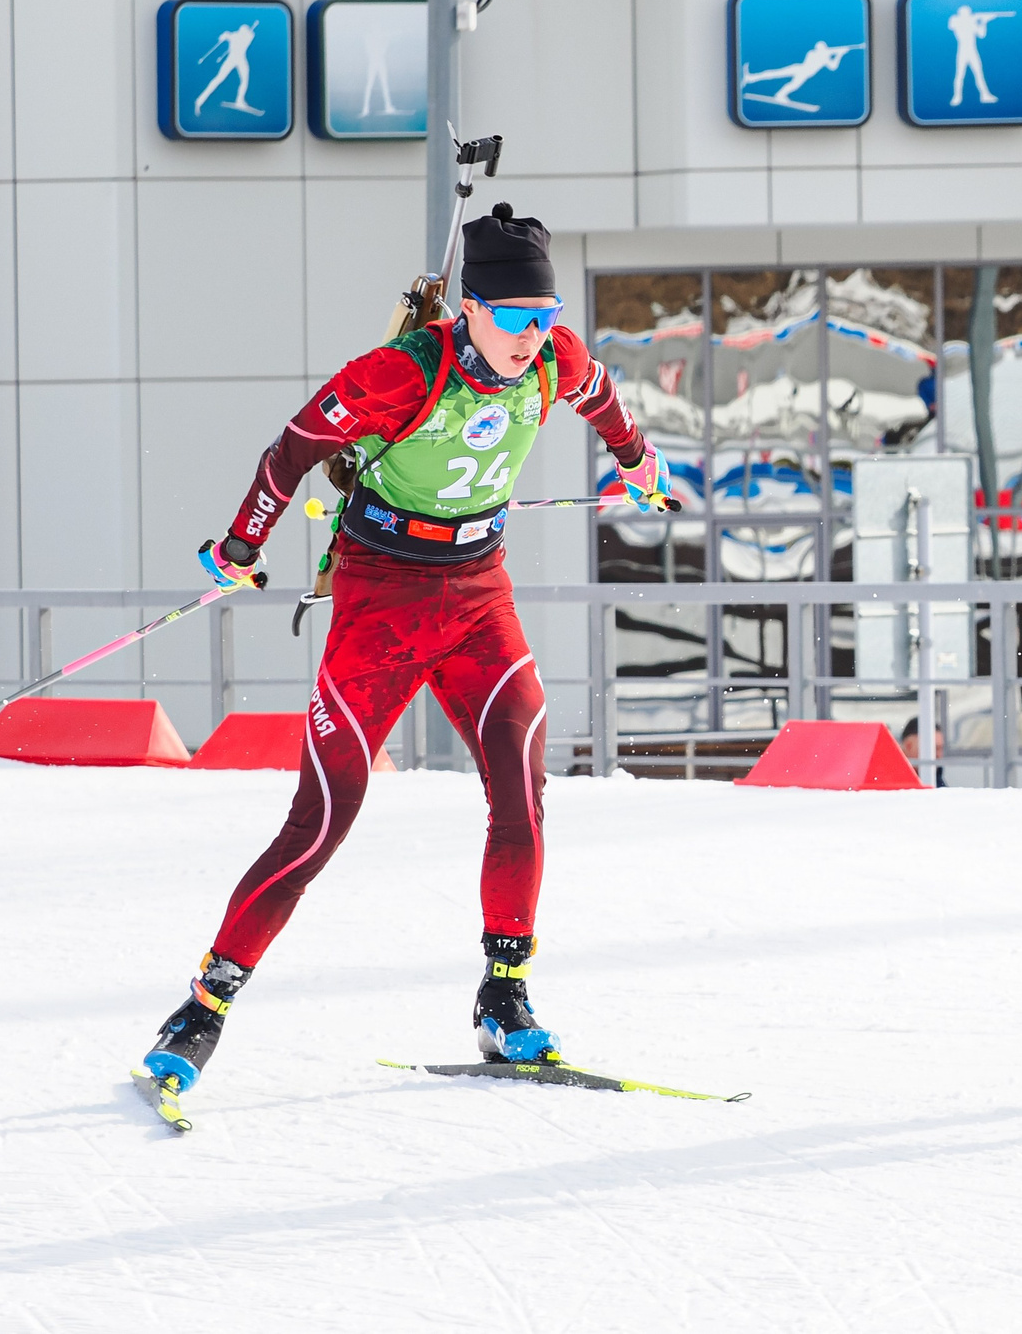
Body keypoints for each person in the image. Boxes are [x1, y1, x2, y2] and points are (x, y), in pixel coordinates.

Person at [138, 205, 675, 1099]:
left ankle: (506, 999)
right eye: (512, 318)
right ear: (470, 309)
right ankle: (202, 1005)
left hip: (477, 597)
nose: (531, 338)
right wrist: (240, 547)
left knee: (523, 783)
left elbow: (603, 400)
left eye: (544, 317)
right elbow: (293, 449)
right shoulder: (399, 374)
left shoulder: (553, 358)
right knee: (324, 819)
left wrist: (639, 463)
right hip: (381, 602)